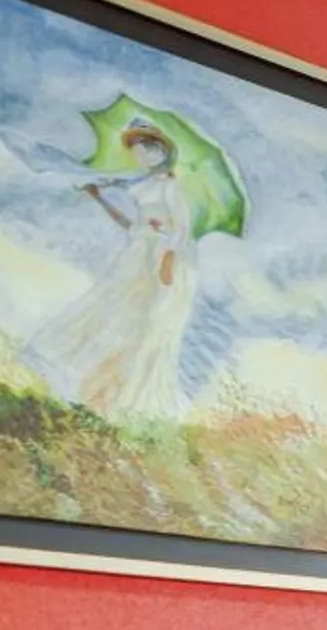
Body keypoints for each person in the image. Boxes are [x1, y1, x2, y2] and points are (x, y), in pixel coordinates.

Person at [26, 122, 199, 420]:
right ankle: (98, 396)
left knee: (148, 327)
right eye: (138, 150)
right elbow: (133, 227)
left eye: (149, 147)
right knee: (116, 319)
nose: (144, 154)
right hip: (140, 255)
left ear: (163, 150)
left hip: (161, 259)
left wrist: (167, 261)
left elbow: (181, 230)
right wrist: (99, 197)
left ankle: (129, 402)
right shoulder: (142, 185)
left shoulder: (170, 186)